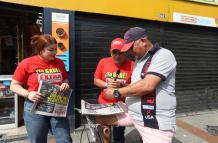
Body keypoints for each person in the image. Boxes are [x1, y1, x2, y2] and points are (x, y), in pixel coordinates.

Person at [97, 27, 177, 143]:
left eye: (131, 48)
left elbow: (147, 85)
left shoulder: (163, 54)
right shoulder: (139, 61)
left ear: (143, 41)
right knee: (100, 118)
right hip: (133, 114)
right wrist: (122, 86)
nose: (129, 52)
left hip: (154, 122)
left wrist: (116, 92)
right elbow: (135, 86)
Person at [10, 34, 72, 143]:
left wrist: (65, 84)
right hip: (35, 107)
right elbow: (14, 86)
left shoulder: (59, 62)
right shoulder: (27, 63)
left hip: (56, 106)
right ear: (40, 50)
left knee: (65, 139)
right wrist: (28, 94)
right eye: (50, 50)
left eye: (55, 49)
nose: (55, 53)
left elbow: (65, 79)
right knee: (38, 140)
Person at [94, 38, 134, 143]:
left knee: (118, 135)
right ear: (110, 52)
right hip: (104, 104)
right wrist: (107, 84)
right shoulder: (103, 62)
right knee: (105, 133)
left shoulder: (132, 65)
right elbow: (96, 80)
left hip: (121, 106)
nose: (117, 56)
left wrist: (123, 85)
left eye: (121, 52)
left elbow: (136, 86)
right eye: (114, 52)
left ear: (126, 52)